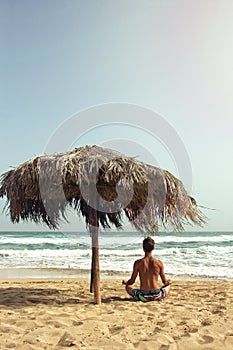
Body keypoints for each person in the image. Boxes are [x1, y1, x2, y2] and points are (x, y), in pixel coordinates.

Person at [122, 236, 172, 302]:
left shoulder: (138, 263)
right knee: (168, 286)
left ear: (143, 248)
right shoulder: (159, 263)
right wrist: (169, 282)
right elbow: (165, 282)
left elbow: (132, 281)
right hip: (157, 295)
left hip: (143, 296)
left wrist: (126, 282)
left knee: (128, 286)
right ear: (153, 248)